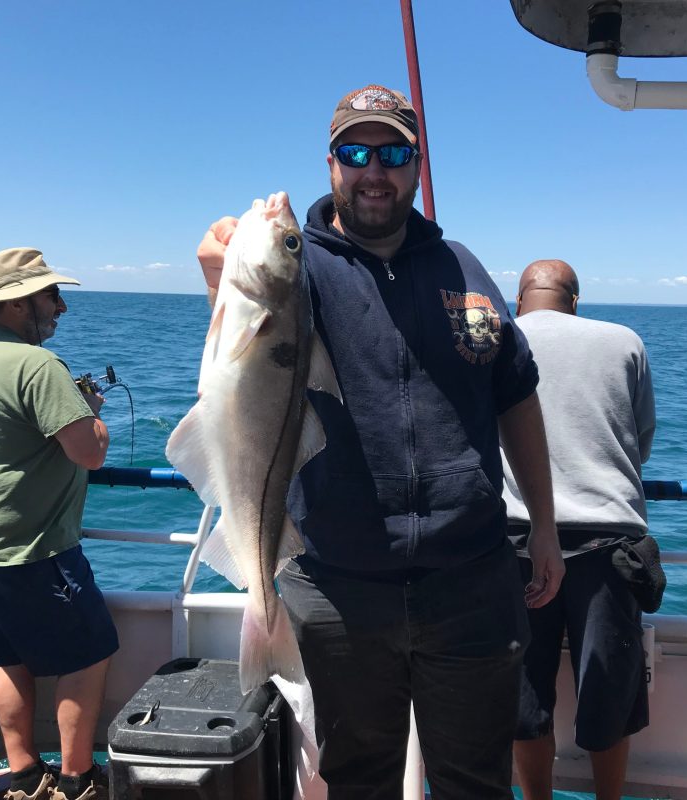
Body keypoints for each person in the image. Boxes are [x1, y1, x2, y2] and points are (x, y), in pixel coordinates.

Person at [197, 84, 565, 799]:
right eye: (355, 152)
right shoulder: (302, 269)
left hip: (472, 580)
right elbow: (247, 364)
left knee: (477, 784)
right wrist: (221, 275)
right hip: (336, 585)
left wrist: (545, 524)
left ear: (418, 166)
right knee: (358, 782)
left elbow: (516, 396)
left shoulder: (462, 266)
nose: (374, 171)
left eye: (393, 154)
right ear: (330, 163)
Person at [503, 259, 656, 800]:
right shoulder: (625, 342)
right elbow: (640, 441)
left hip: (515, 540)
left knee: (524, 698)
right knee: (608, 693)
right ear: (576, 302)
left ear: (518, 300)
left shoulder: (495, 340)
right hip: (609, 541)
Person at [0, 248, 118, 800]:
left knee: (8, 657)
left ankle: (24, 776)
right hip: (35, 550)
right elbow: (90, 453)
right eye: (51, 295)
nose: (61, 306)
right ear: (17, 304)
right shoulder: (39, 367)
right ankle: (76, 779)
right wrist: (93, 412)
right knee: (89, 651)